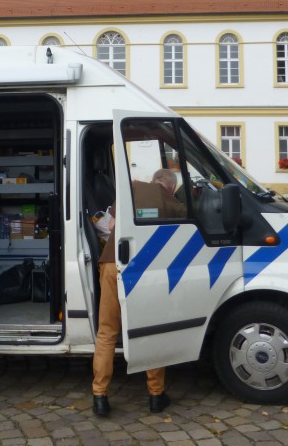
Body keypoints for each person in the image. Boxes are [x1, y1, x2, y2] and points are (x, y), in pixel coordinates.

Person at [92, 168, 183, 417]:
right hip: (145, 268)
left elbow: (110, 225)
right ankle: (156, 395)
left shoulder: (130, 188)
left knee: (107, 331)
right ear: (171, 187)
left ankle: (99, 396)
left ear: (154, 180)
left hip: (111, 262)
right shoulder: (170, 200)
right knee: (150, 330)